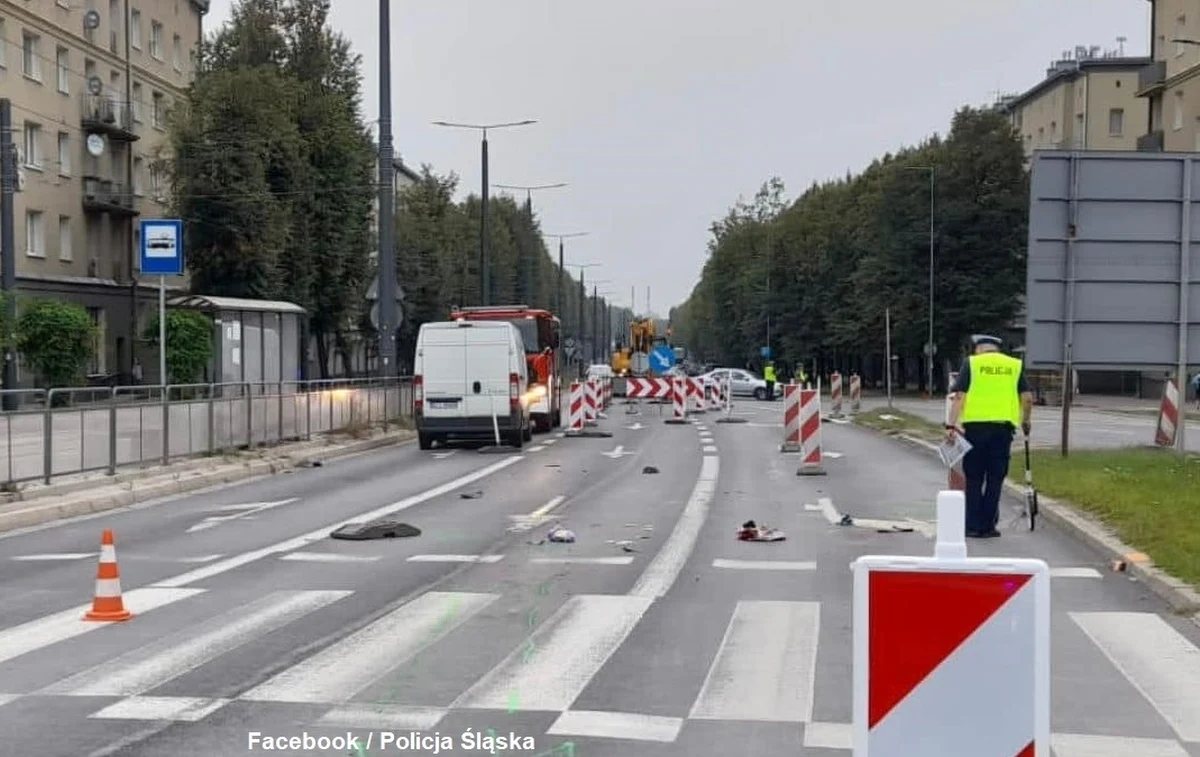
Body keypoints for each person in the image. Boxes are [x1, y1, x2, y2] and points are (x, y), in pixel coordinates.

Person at [945, 334, 1034, 538]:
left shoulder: (972, 364)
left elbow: (959, 396)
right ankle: (988, 526)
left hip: (975, 431)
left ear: (978, 349)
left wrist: (950, 425)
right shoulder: (1014, 365)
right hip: (1002, 432)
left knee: (974, 478)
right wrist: (1026, 421)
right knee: (995, 478)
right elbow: (1027, 398)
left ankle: (973, 526)